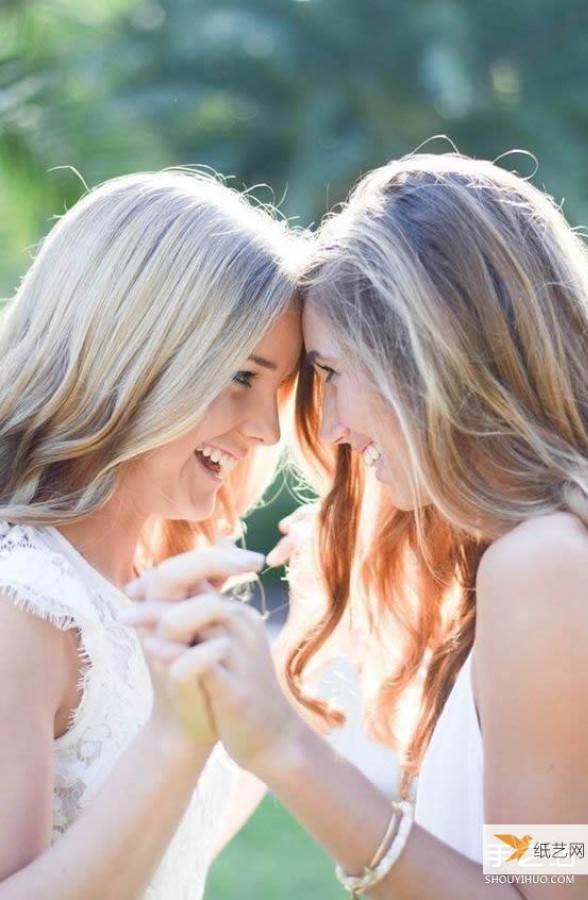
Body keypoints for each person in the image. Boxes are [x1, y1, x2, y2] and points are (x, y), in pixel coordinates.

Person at [126, 153, 588, 899]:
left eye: (333, 374)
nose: (335, 428)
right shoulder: (540, 557)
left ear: (429, 363)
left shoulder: (545, 564)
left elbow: (555, 891)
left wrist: (284, 746)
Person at [0, 169, 304, 898]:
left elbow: (168, 849)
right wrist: (179, 734)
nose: (266, 429)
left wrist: (307, 645)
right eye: (240, 375)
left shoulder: (137, 579)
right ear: (133, 351)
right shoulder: (25, 604)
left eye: (279, 391)